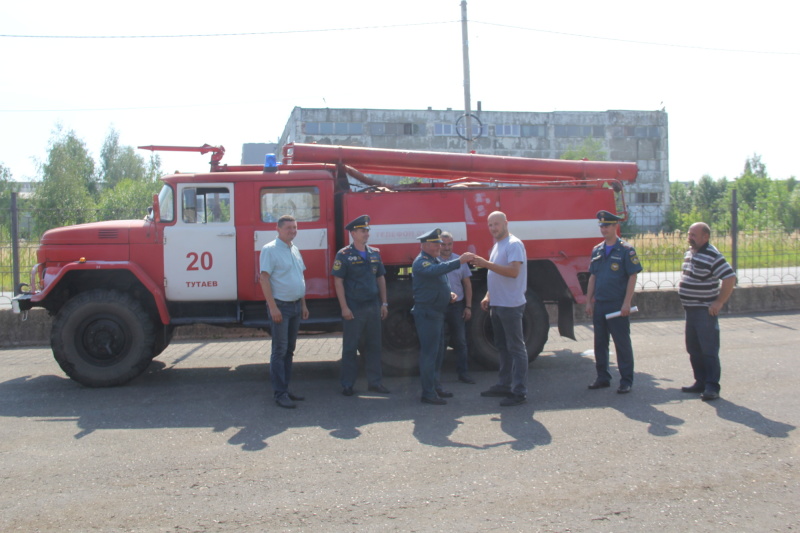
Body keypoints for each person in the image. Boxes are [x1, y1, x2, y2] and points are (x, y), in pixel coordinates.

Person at [471, 211, 530, 407]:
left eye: (496, 224)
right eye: (490, 225)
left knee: (516, 349)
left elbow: (514, 272)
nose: (493, 228)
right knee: (503, 348)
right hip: (498, 304)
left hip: (511, 305)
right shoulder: (498, 245)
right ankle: (504, 384)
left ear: (506, 223)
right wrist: (488, 295)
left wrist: (485, 263)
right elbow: (496, 275)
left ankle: (519, 391)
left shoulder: (514, 244)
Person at [411, 228, 475, 405]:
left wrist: (449, 294)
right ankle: (428, 393)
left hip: (437, 312)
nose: (439, 246)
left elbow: (441, 279)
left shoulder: (433, 259)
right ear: (424, 245)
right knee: (429, 354)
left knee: (438, 353)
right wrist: (459, 261)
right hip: (428, 313)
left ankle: (435, 387)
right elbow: (435, 271)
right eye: (435, 243)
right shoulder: (422, 261)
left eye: (439, 242)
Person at [584, 210, 642, 394]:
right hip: (600, 303)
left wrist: (627, 303)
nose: (603, 228)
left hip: (617, 304)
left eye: (607, 225)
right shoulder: (597, 249)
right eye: (601, 225)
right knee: (600, 343)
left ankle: (626, 380)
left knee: (621, 343)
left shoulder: (626, 249)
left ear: (615, 226)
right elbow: (593, 276)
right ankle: (603, 377)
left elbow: (632, 276)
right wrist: (588, 301)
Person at [331, 214, 390, 397]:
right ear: (353, 233)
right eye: (363, 231)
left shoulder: (374, 253)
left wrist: (384, 303)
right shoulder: (344, 255)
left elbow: (380, 278)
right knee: (350, 347)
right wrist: (344, 307)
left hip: (373, 306)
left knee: (374, 346)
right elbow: (338, 281)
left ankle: (375, 383)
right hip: (354, 308)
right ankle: (347, 384)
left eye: (367, 231)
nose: (366, 234)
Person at [678, 222, 736, 401]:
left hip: (705, 311)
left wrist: (719, 302)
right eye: (689, 234)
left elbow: (730, 277)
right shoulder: (690, 252)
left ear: (706, 237)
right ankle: (700, 381)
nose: (690, 237)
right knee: (693, 348)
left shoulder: (713, 255)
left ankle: (712, 386)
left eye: (694, 235)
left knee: (708, 349)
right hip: (690, 310)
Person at [259, 214, 309, 409]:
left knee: (289, 350)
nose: (292, 231)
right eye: (288, 228)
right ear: (278, 229)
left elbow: (300, 277)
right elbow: (264, 279)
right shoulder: (270, 250)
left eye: (295, 228)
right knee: (279, 351)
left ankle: (286, 389)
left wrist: (303, 305)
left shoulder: (295, 249)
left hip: (296, 306)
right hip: (281, 307)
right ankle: (279, 394)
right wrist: (273, 307)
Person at [439, 231, 476, 384]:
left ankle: (463, 373)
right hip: (440, 307)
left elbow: (467, 284)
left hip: (457, 307)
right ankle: (436, 376)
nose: (447, 247)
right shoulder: (434, 262)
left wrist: (468, 307)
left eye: (449, 244)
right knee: (440, 342)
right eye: (443, 244)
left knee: (460, 341)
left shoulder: (459, 261)